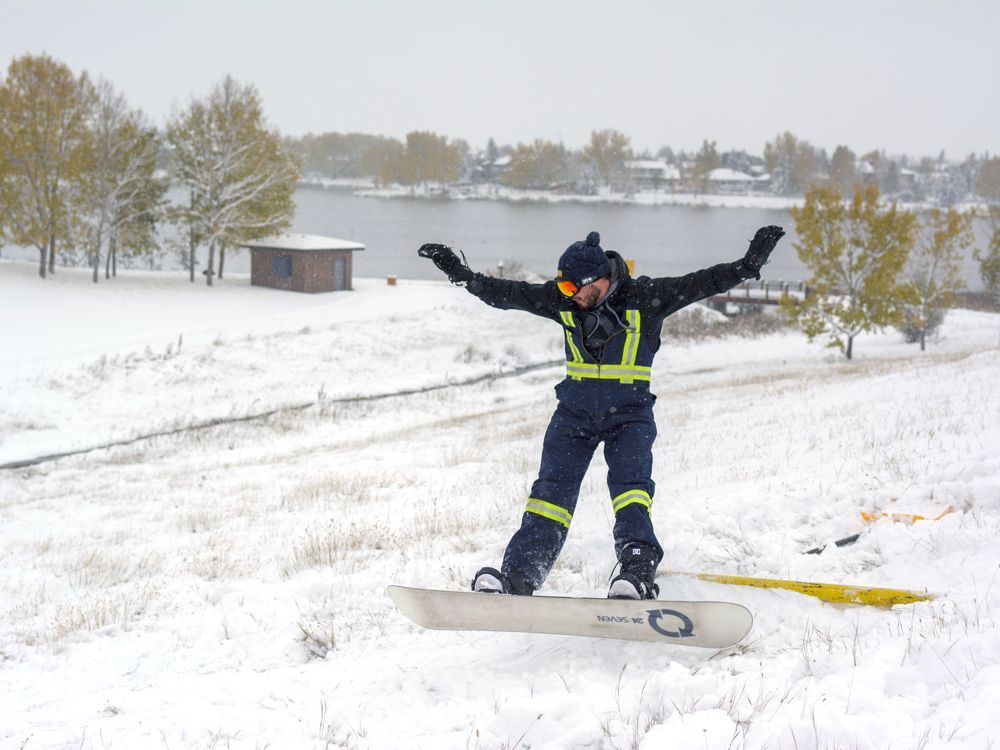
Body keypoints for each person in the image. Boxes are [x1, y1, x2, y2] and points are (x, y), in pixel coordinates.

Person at [418, 226, 785, 599]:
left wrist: (747, 266)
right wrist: (463, 276)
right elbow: (509, 294)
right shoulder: (564, 301)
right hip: (573, 416)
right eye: (563, 289)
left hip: (629, 417)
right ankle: (518, 578)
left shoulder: (646, 297)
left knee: (631, 493)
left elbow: (703, 282)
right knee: (549, 498)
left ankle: (636, 573)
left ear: (600, 280)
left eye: (573, 288)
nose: (569, 297)